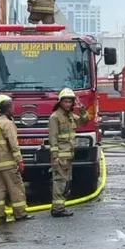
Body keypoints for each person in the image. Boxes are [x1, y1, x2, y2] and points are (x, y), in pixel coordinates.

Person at [47, 88, 89, 218]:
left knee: (66, 182)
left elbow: (84, 121)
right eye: (65, 101)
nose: (68, 104)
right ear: (60, 102)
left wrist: (81, 108)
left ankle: (60, 207)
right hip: (60, 156)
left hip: (69, 155)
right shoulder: (55, 117)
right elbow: (52, 137)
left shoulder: (70, 116)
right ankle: (58, 209)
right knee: (60, 182)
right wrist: (55, 157)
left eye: (70, 102)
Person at [0, 94, 30, 223]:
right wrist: (19, 160)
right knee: (16, 187)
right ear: (6, 109)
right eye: (11, 107)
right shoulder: (7, 123)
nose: (13, 109)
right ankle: (20, 214)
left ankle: (0, 216)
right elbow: (13, 144)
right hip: (8, 163)